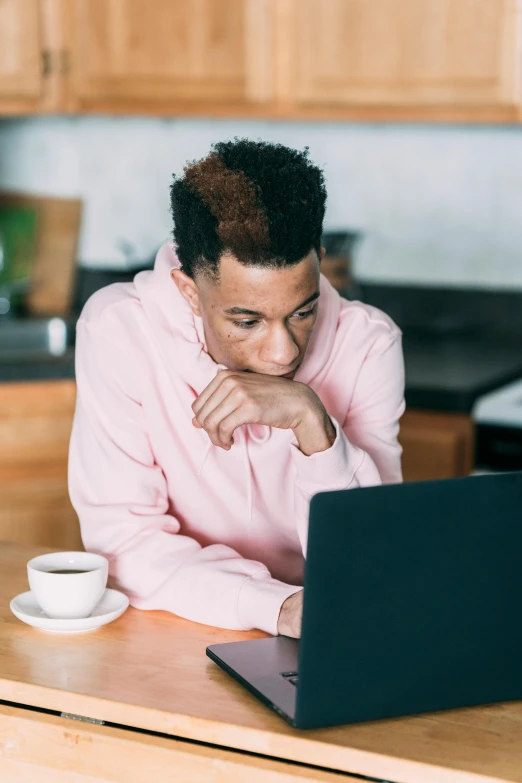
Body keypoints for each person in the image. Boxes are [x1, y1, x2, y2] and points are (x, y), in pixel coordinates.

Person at [69, 139, 405, 639]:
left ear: (320, 260)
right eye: (246, 321)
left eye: (303, 311)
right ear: (189, 290)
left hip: (323, 630)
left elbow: (374, 565)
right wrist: (277, 605)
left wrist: (314, 426)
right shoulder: (119, 330)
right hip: (179, 624)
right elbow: (123, 544)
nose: (282, 353)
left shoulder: (369, 344)